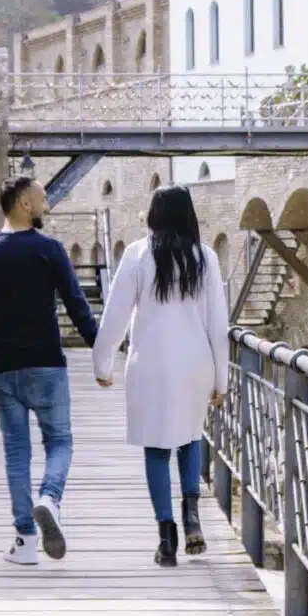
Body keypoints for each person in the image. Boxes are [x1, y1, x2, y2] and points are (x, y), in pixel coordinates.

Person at [0, 175, 99, 567]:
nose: (46, 204)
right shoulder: (49, 250)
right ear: (23, 202)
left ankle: (25, 540)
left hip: (4, 369)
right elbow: (77, 306)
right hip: (46, 365)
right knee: (60, 442)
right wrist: (103, 355)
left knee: (16, 452)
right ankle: (49, 497)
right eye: (41, 197)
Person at [92, 186, 231, 567]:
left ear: (153, 214)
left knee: (156, 447)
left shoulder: (137, 255)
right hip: (195, 363)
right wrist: (223, 379)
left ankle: (166, 538)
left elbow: (115, 314)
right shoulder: (206, 258)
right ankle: (192, 518)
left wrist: (102, 363)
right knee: (189, 436)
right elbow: (219, 324)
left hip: (150, 364)